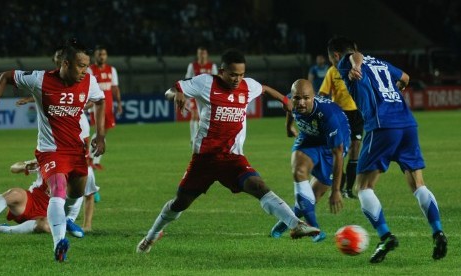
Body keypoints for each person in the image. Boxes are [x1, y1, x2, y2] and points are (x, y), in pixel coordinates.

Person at [136, 49, 320, 254]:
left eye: (241, 74)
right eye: (232, 74)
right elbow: (171, 90)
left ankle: (296, 225)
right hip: (204, 159)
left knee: (258, 186)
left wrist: (284, 100)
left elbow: (265, 88)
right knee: (180, 202)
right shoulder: (206, 82)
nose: (237, 79)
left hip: (232, 158)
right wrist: (177, 93)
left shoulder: (247, 86)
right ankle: (152, 235)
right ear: (222, 71)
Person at [327, 36, 447, 263]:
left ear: (335, 55)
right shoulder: (380, 63)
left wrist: (354, 65)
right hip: (407, 124)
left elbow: (354, 56)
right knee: (418, 184)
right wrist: (397, 89)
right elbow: (405, 78)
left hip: (382, 126)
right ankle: (438, 231)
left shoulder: (345, 61)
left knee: (363, 187)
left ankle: (385, 236)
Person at [0, 39, 106, 262]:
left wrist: (101, 135)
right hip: (51, 150)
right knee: (57, 188)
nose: (85, 71)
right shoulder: (40, 79)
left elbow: (101, 101)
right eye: (81, 65)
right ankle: (59, 244)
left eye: (87, 65)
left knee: (75, 193)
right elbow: (4, 76)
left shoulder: (89, 81)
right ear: (65, 64)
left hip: (75, 151)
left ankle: (62, 219)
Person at [15, 46, 101, 232]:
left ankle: (74, 216)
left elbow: (94, 99)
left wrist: (98, 136)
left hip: (76, 146)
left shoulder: (85, 79)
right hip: (56, 151)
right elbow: (52, 94)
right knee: (61, 186)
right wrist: (32, 99)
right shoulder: (47, 80)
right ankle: (63, 226)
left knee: (82, 181)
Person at [270, 79, 350, 242]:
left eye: (306, 98)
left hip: (333, 146)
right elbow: (289, 108)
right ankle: (316, 231)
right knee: (299, 172)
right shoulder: (291, 101)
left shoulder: (328, 115)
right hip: (308, 138)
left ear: (314, 97)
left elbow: (338, 153)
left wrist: (336, 190)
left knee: (310, 198)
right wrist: (288, 127)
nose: (301, 102)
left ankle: (285, 223)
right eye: (297, 98)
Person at [0, 160, 85, 238]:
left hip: (52, 211)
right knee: (14, 194)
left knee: (45, 225)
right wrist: (26, 166)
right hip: (31, 201)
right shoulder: (47, 159)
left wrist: (73, 221)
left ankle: (3, 229)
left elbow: (81, 197)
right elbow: (13, 168)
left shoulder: (76, 172)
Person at [319, 60, 364, 199]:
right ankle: (339, 185)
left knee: (355, 149)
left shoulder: (360, 69)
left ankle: (349, 190)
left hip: (357, 113)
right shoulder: (333, 71)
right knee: (338, 151)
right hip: (339, 114)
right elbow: (323, 92)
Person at [87, 45, 123, 170]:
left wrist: (119, 104)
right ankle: (90, 158)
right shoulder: (90, 70)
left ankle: (94, 160)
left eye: (103, 54)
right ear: (95, 56)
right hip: (96, 105)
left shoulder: (111, 70)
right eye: (99, 54)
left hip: (108, 105)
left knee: (103, 133)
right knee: (99, 132)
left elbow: (115, 88)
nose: (101, 56)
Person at [184, 46, 218, 146]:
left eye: (203, 53)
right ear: (198, 54)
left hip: (207, 95)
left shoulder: (212, 66)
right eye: (200, 53)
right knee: (194, 114)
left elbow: (215, 80)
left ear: (206, 54)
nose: (202, 55)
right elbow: (187, 78)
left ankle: (204, 137)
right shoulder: (192, 66)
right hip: (195, 93)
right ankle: (193, 138)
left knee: (205, 117)